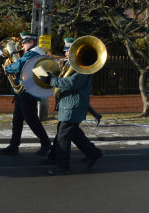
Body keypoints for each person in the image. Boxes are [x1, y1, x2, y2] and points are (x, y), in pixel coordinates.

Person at [41, 45, 103, 176]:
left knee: (63, 137)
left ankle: (63, 166)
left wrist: (51, 80)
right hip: (68, 106)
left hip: (72, 107)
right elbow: (65, 81)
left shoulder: (83, 69)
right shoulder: (72, 67)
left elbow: (71, 83)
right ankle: (94, 153)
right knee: (74, 134)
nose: (66, 53)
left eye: (69, 50)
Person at [0, 32, 52, 156]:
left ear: (31, 42)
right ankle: (14, 145)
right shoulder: (31, 53)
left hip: (28, 92)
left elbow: (19, 66)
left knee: (32, 120)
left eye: (24, 43)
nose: (22, 45)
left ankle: (46, 144)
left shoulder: (33, 53)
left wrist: (7, 69)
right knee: (17, 120)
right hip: (22, 93)